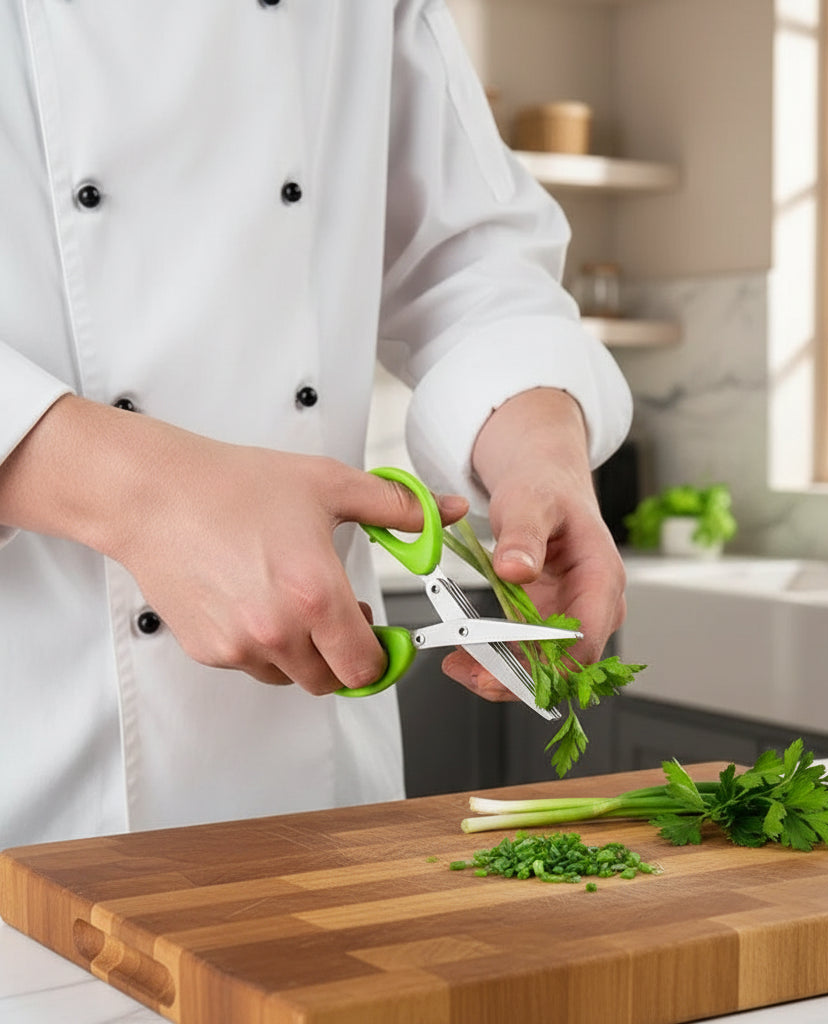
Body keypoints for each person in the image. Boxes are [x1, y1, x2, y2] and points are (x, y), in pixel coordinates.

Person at [0, 1, 633, 849]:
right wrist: (140, 497)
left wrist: (538, 446)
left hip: (309, 772)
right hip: (31, 751)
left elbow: (468, 258)